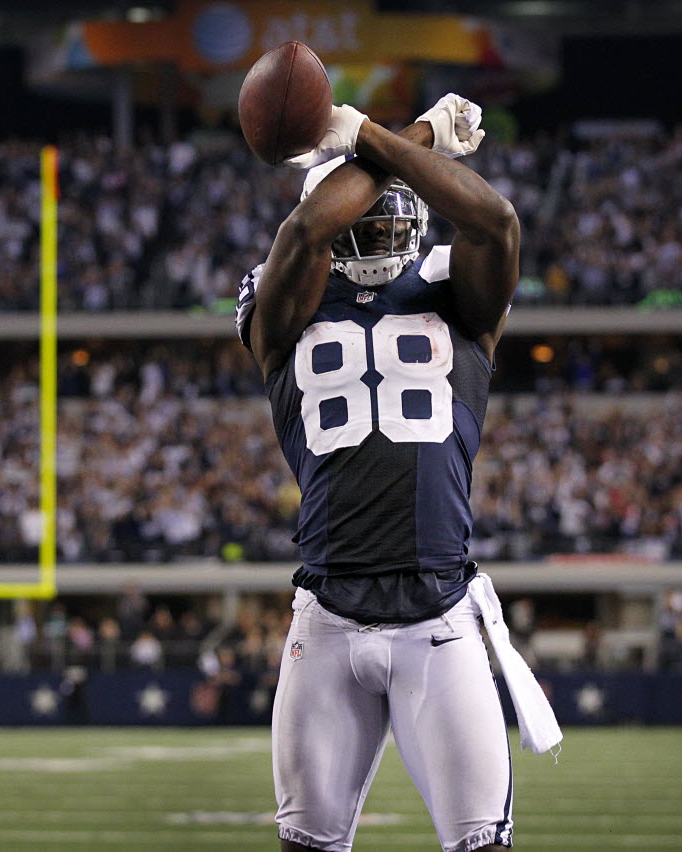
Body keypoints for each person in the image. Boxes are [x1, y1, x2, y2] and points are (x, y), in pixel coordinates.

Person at [235, 95, 561, 852]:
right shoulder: (278, 298)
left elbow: (498, 222)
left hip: (439, 616)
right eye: (365, 207)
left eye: (390, 209)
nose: (377, 224)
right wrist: (414, 136)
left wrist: (370, 142)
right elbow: (309, 226)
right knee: (305, 845)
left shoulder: (457, 290)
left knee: (482, 843)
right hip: (327, 615)